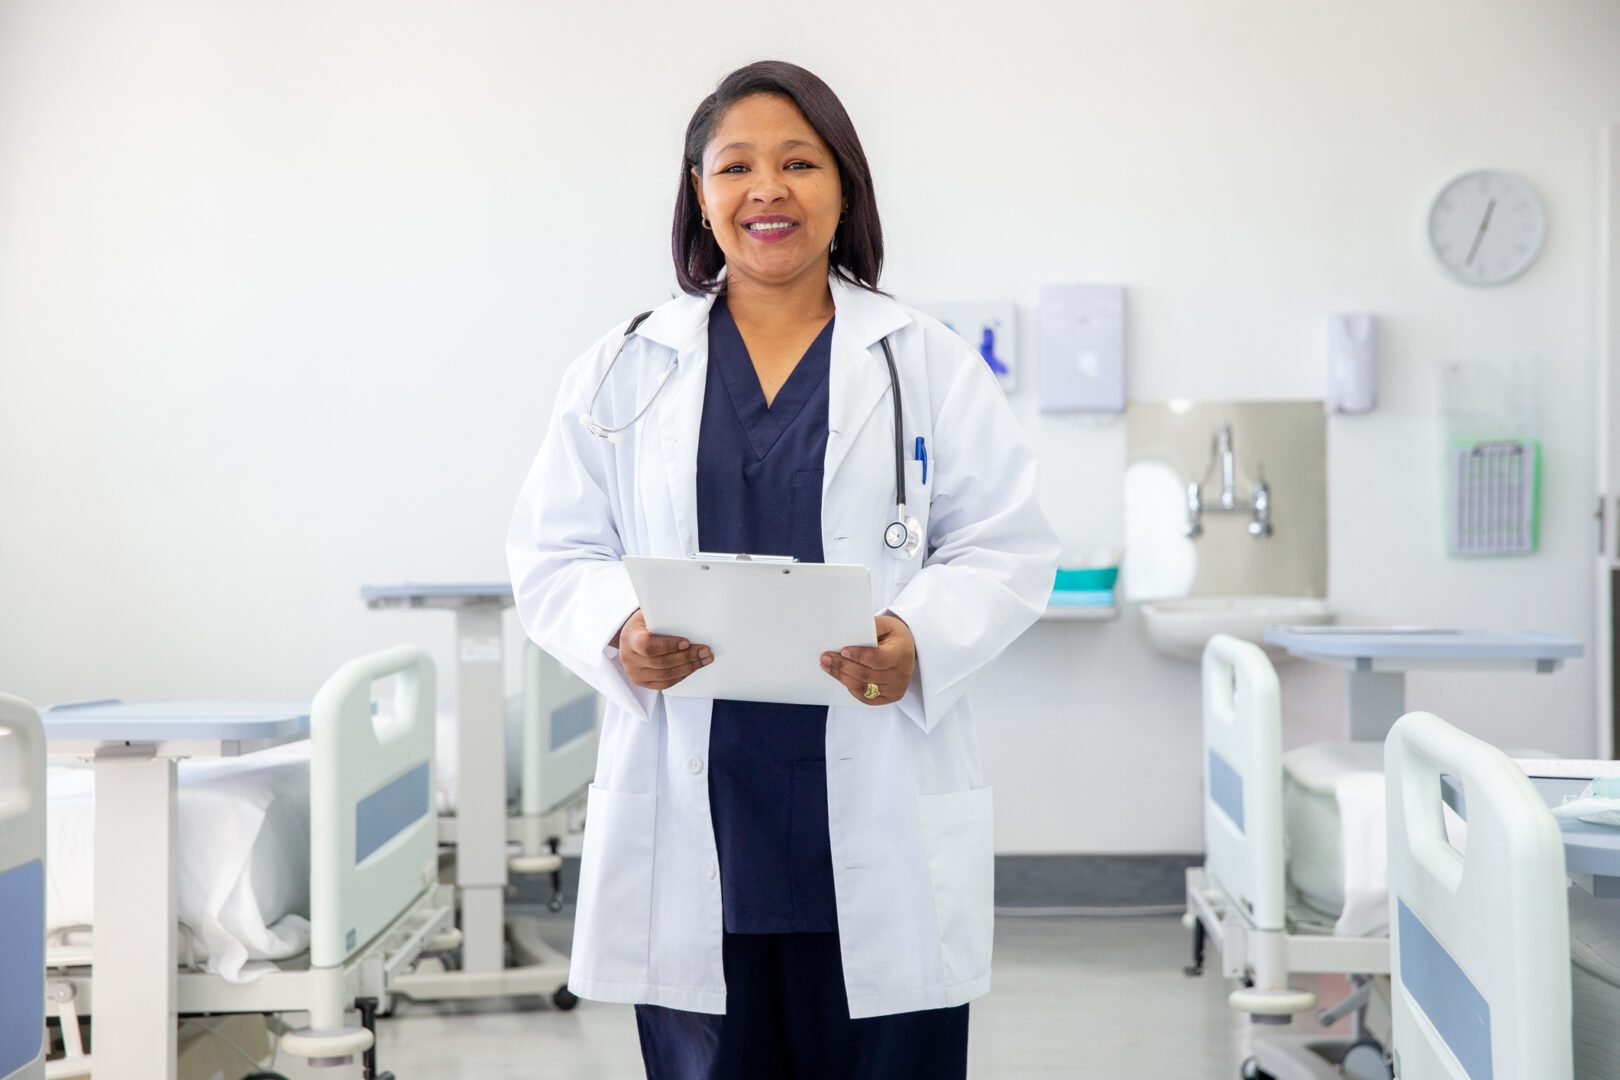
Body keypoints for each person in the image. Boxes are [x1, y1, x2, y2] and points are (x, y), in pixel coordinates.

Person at [507, 59, 1058, 1079]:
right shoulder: (628, 364)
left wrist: (918, 641)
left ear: (843, 188)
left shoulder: (922, 358)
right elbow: (552, 551)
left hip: (878, 787)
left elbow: (1007, 544)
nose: (768, 189)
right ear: (699, 193)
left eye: (799, 162)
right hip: (700, 804)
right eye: (736, 167)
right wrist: (618, 629)